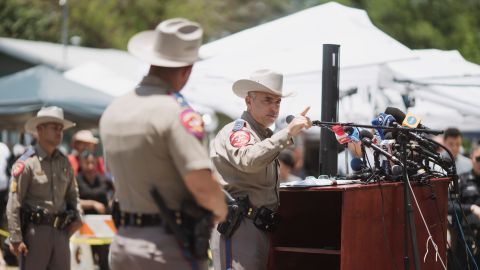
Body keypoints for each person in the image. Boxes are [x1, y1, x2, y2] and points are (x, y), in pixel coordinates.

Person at [100, 18, 227, 270]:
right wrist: (220, 211)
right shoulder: (175, 113)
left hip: (123, 242)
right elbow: (202, 186)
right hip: (167, 247)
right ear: (186, 70)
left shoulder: (114, 110)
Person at [210, 69, 312, 270]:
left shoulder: (263, 136)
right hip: (239, 227)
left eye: (278, 102)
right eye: (267, 100)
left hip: (257, 226)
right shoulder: (238, 131)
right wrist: (287, 132)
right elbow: (249, 159)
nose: (274, 108)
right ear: (248, 101)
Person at [6, 106, 83, 270]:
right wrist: (16, 237)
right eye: (55, 127)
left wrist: (78, 217)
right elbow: (14, 202)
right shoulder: (27, 163)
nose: (59, 132)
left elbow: (73, 194)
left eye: (61, 129)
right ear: (40, 129)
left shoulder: (64, 162)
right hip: (35, 234)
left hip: (61, 232)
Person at [77, 151, 113, 270]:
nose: (91, 166)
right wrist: (92, 204)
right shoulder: (77, 180)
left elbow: (116, 190)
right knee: (87, 261)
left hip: (103, 227)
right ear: (81, 163)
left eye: (93, 162)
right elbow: (73, 200)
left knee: (104, 261)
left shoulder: (103, 179)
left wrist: (111, 202)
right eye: (87, 163)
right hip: (84, 226)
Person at [448, 147, 480, 269]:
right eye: (478, 159)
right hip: (467, 240)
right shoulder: (461, 180)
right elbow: (448, 205)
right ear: (472, 158)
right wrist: (471, 207)